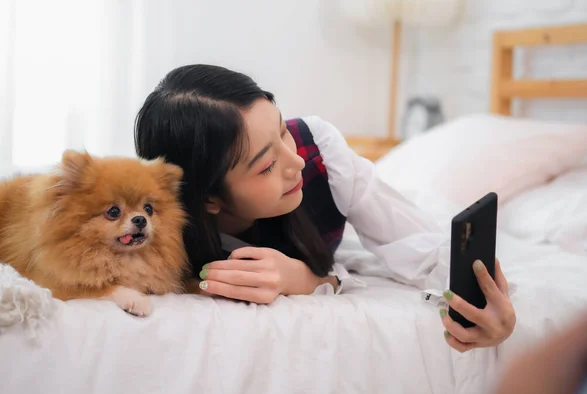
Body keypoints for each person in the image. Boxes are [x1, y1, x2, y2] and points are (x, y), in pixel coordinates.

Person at [134, 64, 515, 351]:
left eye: (283, 130)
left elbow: (422, 245)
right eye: (266, 165)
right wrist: (306, 281)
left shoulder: (320, 152)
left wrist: (484, 303)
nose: (295, 161)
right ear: (209, 200)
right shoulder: (158, 227)